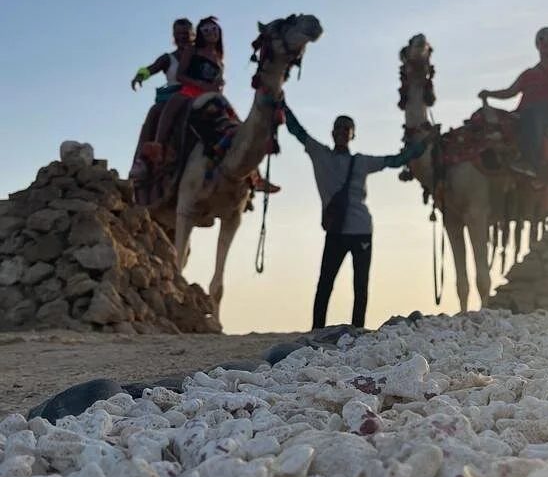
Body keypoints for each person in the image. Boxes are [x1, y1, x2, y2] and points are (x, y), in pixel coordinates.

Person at [284, 107, 434, 329]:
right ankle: (340, 331)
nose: (343, 133)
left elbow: (297, 131)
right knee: (344, 284)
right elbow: (396, 160)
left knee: (336, 284)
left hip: (351, 229)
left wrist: (280, 104)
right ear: (338, 133)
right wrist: (424, 144)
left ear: (348, 135)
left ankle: (332, 330)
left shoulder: (325, 155)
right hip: (349, 230)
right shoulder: (344, 158)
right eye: (341, 128)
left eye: (346, 129)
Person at [144, 16, 278, 192]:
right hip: (185, 92)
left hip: (212, 97)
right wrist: (142, 74)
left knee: (238, 128)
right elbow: (175, 74)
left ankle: (254, 176)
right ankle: (157, 146)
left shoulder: (218, 58)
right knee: (163, 109)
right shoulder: (183, 54)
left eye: (214, 30)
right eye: (206, 30)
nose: (182, 37)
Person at [478, 27, 548, 176]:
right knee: (491, 119)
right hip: (524, 110)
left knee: (531, 114)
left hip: (547, 111)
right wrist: (489, 94)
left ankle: (530, 163)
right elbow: (510, 92)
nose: (545, 42)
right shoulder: (529, 73)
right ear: (537, 44)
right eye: (541, 39)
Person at [129, 18, 194, 181]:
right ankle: (141, 161)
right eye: (178, 34)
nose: (182, 37)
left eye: (185, 33)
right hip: (173, 97)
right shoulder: (168, 58)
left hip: (197, 94)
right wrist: (141, 75)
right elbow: (151, 68)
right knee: (154, 113)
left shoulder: (200, 54)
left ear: (192, 34)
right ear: (173, 35)